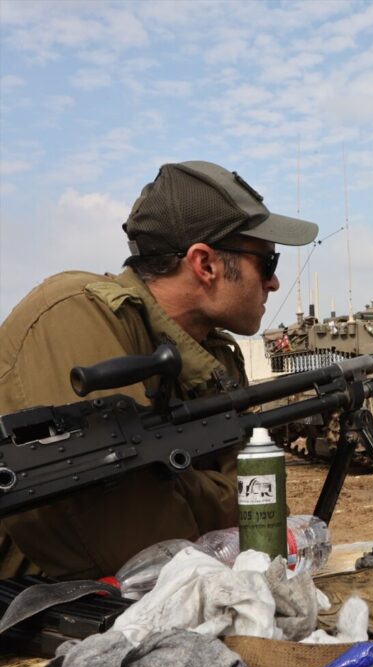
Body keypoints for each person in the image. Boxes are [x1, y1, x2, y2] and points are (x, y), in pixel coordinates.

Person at [0, 161, 318, 579]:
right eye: (267, 263)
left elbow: (264, 515)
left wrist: (176, 483)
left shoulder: (215, 353)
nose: (273, 284)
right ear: (205, 264)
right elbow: (139, 545)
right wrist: (203, 494)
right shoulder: (75, 316)